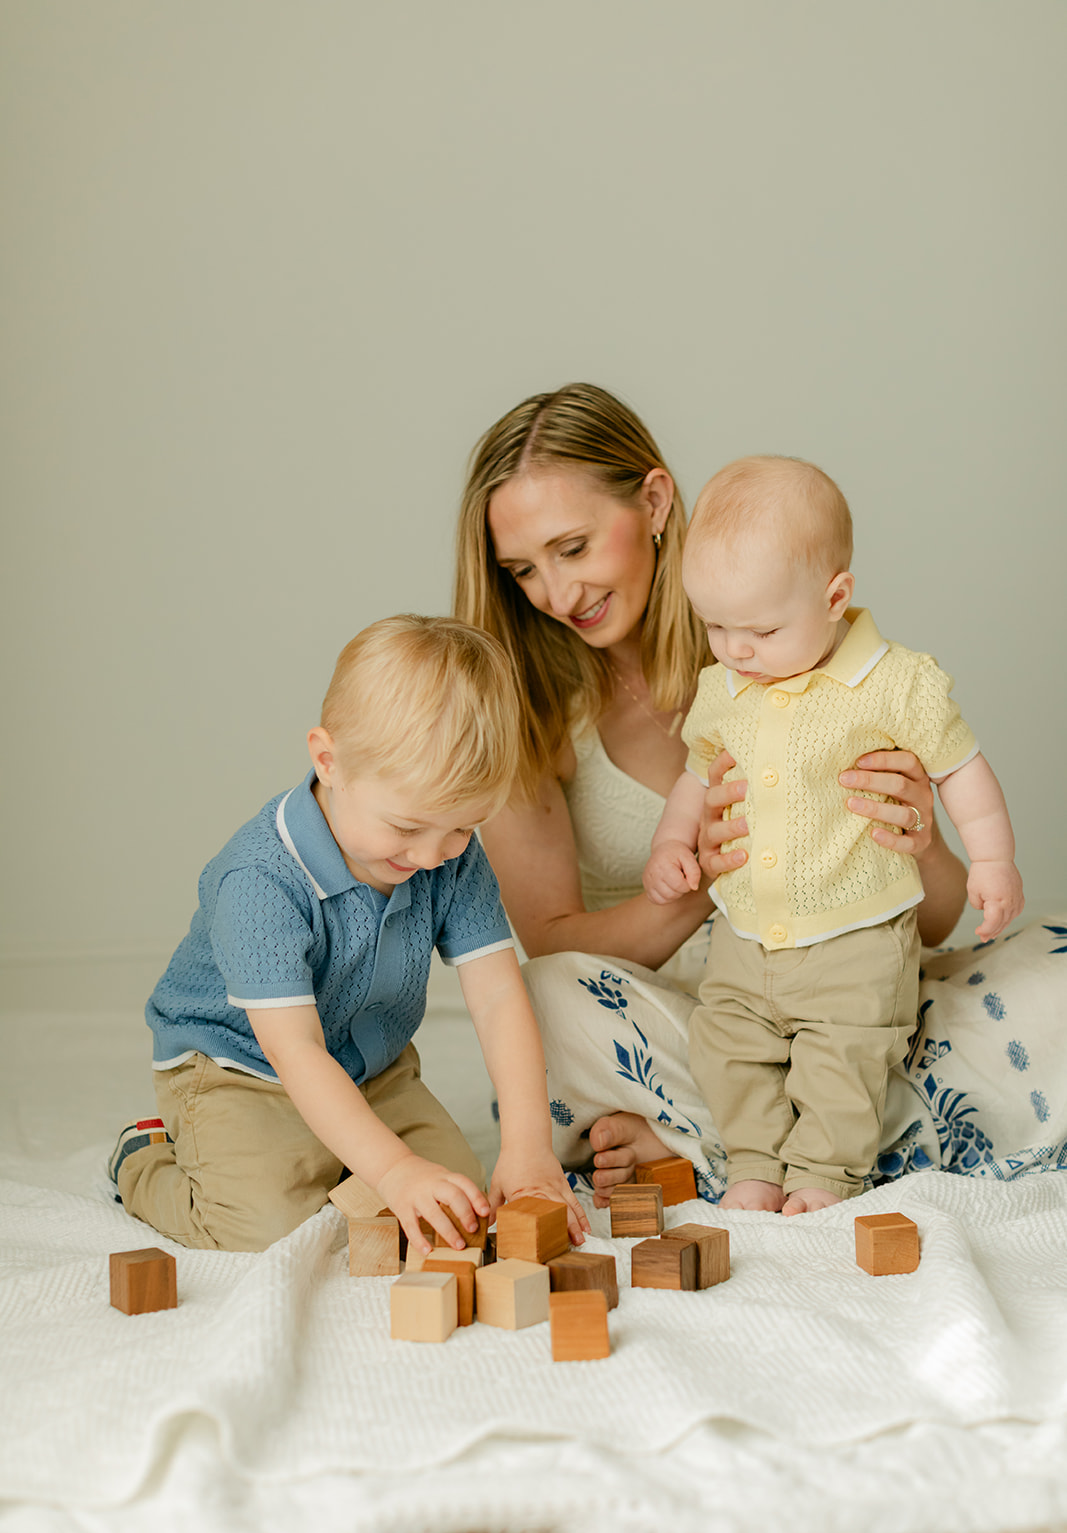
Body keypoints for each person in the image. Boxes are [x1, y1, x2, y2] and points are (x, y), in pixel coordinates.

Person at [454, 382, 1066, 1207]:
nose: (556, 596)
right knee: (541, 1006)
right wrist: (696, 882)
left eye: (573, 547)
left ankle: (707, 1145)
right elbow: (559, 948)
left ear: (655, 501)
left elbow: (931, 924)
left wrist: (921, 841)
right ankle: (820, 1137)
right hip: (694, 1012)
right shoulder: (529, 717)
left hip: (856, 983)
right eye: (523, 569)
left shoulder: (791, 631)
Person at [110, 615, 587, 1253]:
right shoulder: (258, 880)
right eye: (406, 827)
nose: (432, 855)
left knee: (459, 1197)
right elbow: (296, 1051)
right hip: (241, 1068)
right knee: (260, 1226)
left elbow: (499, 998)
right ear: (329, 762)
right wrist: (392, 1171)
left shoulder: (449, 853)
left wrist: (527, 1149)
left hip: (370, 1068)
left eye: (463, 827)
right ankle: (142, 1156)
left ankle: (342, 1153)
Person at [644, 455, 1024, 1214]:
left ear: (835, 596)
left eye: (759, 628)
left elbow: (960, 769)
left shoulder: (895, 681)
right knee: (725, 1044)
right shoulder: (721, 687)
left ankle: (822, 1173)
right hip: (745, 935)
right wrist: (670, 843)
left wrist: (991, 857)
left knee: (845, 1056)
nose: (735, 649)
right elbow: (697, 772)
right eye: (714, 626)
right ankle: (751, 1162)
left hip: (856, 934)